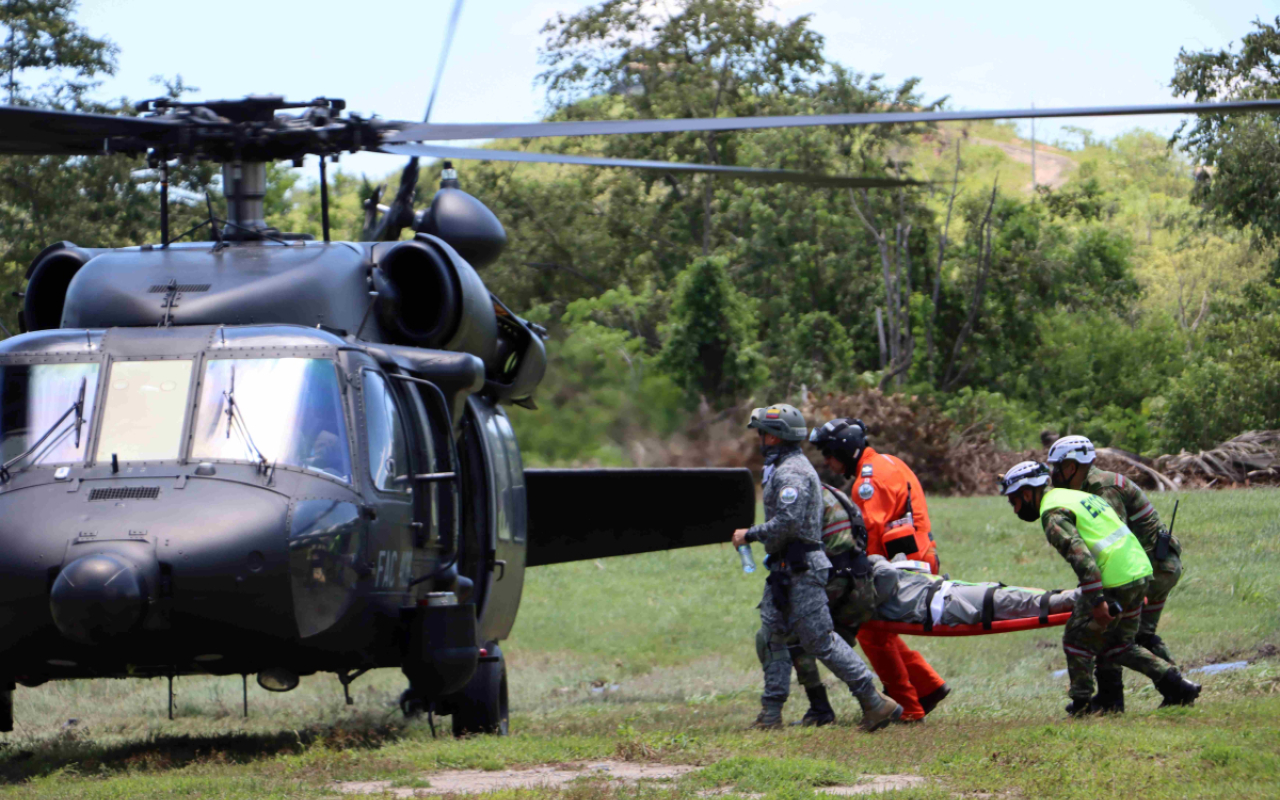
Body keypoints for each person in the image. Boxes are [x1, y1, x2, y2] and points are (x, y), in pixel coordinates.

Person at [732, 404, 901, 732]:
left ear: (778, 437)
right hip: (786, 570)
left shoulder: (791, 472)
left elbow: (789, 522)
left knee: (820, 640)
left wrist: (748, 535)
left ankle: (874, 701)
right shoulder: (785, 467)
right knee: (773, 636)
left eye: (764, 434)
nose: (760, 440)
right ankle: (770, 714)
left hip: (803, 570)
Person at [999, 460, 1201, 714]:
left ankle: (1082, 704)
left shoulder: (1052, 512)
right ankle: (1176, 686)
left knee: (1076, 640)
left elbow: (1082, 558)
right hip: (1140, 570)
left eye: (1013, 500)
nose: (1014, 507)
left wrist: (1096, 601)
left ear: (1027, 493)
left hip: (1115, 578)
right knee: (1120, 645)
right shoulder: (1074, 496)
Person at [808, 418, 949, 721]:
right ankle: (927, 686)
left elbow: (869, 533)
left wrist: (853, 579)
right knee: (878, 630)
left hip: (906, 563)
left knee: (871, 629)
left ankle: (909, 708)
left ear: (843, 450)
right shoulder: (888, 462)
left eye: (829, 454)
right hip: (919, 555)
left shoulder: (867, 483)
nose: (828, 462)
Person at [1046, 435, 1183, 713]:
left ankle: (1136, 695)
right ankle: (1173, 689)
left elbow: (1115, 544)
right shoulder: (1090, 486)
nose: (1052, 475)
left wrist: (1097, 589)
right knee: (1133, 635)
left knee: (1117, 633)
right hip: (1153, 565)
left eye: (1056, 467)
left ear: (1071, 467)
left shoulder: (1101, 488)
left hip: (1154, 568)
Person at [753, 478, 870, 727]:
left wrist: (752, 535)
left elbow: (786, 536)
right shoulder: (835, 491)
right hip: (859, 579)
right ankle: (874, 703)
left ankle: (821, 708)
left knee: (793, 635)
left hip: (832, 579)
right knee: (830, 642)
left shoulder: (803, 498)